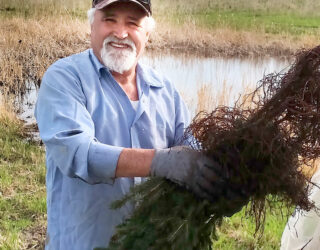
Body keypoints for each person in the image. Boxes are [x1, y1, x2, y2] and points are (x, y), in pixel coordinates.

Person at [35, 0, 229, 249]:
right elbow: (76, 154)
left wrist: (222, 183)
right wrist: (161, 161)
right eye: (110, 19)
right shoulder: (65, 78)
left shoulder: (165, 91)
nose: (120, 33)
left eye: (132, 23)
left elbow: (192, 155)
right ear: (92, 25)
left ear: (147, 33)